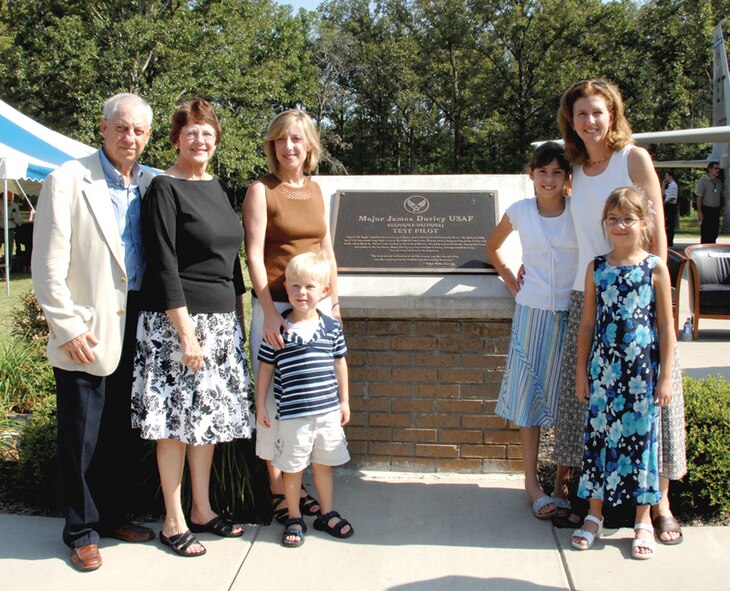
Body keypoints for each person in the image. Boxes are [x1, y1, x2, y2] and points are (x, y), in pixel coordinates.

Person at [554, 79, 685, 545]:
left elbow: (659, 230)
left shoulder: (634, 158)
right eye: (580, 114)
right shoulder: (573, 167)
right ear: (571, 120)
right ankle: (588, 501)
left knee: (653, 410)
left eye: (597, 112)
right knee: (587, 405)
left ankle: (660, 506)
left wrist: (662, 291)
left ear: (612, 114)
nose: (589, 121)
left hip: (639, 297)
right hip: (587, 291)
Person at [31, 93, 156, 572]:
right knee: (81, 436)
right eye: (121, 128)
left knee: (121, 432)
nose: (130, 138)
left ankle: (114, 516)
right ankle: (80, 531)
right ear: (103, 129)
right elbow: (46, 266)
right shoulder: (67, 180)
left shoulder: (150, 182)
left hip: (138, 322)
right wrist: (67, 326)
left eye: (139, 131)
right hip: (88, 326)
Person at [131, 98, 252, 557]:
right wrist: (185, 334)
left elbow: (231, 264)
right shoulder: (163, 188)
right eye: (191, 132)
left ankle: (202, 509)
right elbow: (163, 264)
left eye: (207, 132)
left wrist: (235, 325)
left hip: (221, 322)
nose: (200, 140)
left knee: (205, 424)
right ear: (176, 139)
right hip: (176, 323)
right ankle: (173, 519)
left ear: (215, 139)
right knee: (175, 425)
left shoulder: (219, 188)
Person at [243, 109, 340, 524]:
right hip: (277, 309)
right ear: (272, 146)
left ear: (309, 146)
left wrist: (334, 306)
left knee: (308, 400)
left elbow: (326, 252)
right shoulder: (261, 191)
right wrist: (269, 313)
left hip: (314, 308)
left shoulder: (317, 191)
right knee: (272, 402)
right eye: (281, 140)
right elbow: (253, 253)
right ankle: (280, 490)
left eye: (297, 139)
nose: (289, 147)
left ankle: (298, 487)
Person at [571, 187, 675, 560]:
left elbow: (666, 326)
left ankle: (643, 520)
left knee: (642, 444)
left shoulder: (654, 267)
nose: (619, 225)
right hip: (603, 374)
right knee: (600, 440)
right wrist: (582, 372)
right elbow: (587, 325)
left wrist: (665, 377)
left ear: (643, 224)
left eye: (627, 218)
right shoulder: (596, 268)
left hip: (642, 374)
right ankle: (594, 516)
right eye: (612, 219)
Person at [485, 142, 577, 520]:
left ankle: (561, 483)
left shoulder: (579, 212)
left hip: (573, 313)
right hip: (532, 312)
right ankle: (531, 483)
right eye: (543, 172)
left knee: (569, 400)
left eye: (557, 172)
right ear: (532, 176)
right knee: (530, 401)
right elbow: (493, 245)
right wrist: (510, 277)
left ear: (567, 177)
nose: (549, 179)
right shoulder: (520, 211)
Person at [256, 251, 352, 547]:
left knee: (324, 465)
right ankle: (295, 516)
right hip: (293, 416)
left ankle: (327, 512)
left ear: (325, 292)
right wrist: (260, 403)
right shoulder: (279, 329)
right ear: (286, 288)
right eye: (295, 286)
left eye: (310, 287)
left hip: (327, 413)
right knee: (293, 467)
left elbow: (340, 364)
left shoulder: (331, 328)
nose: (302, 292)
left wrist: (344, 401)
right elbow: (266, 369)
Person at [695, 162, 724, 243]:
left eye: (718, 169)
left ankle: (712, 247)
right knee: (706, 233)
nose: (717, 170)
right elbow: (699, 197)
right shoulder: (703, 181)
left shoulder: (719, 182)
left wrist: (722, 207)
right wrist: (699, 212)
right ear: (710, 170)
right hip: (706, 209)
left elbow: (721, 196)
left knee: (714, 233)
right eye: (715, 168)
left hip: (716, 211)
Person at [0, 191, 23, 267]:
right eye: (6, 199)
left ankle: (8, 267)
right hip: (1, 229)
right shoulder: (0, 205)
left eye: (9, 200)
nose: (8, 201)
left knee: (9, 250)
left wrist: (14, 219)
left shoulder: (15, 206)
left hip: (10, 230)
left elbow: (20, 221)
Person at [663, 170, 678, 247]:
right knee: (666, 224)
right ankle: (667, 240)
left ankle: (670, 242)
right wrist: (663, 185)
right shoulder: (669, 185)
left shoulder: (673, 185)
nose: (665, 177)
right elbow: (663, 194)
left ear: (670, 176)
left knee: (670, 224)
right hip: (667, 205)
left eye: (666, 175)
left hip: (671, 206)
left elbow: (673, 197)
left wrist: (665, 202)